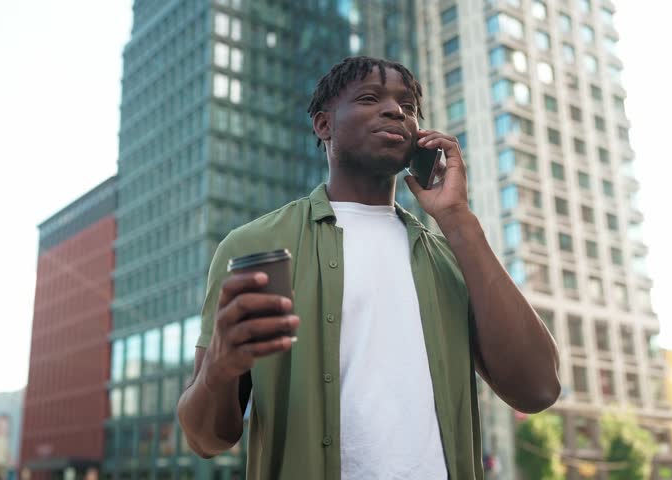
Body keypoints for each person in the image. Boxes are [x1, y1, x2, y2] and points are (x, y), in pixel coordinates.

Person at [177, 56, 560, 479]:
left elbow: (539, 389)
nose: (396, 110)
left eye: (408, 106)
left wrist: (457, 219)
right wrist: (218, 370)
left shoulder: (450, 257)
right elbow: (205, 441)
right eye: (369, 98)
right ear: (324, 125)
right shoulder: (261, 248)